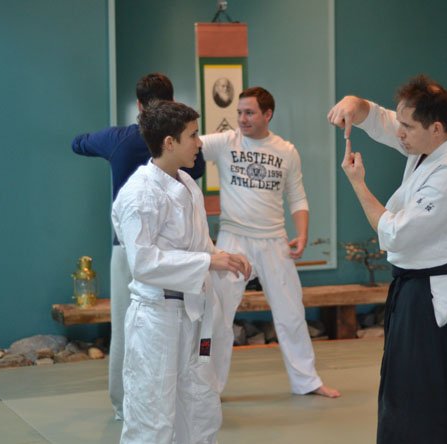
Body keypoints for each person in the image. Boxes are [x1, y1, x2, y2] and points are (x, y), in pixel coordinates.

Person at [327, 75, 447, 443]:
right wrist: (358, 104)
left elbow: (394, 234)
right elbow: (382, 121)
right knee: (405, 389)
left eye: (407, 126)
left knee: (429, 395)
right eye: (400, 122)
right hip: (415, 286)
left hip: (436, 294)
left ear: (435, 127)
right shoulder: (430, 144)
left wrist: (357, 183)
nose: (399, 132)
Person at [111, 100, 251, 443]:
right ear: (169, 142)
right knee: (153, 416)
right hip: (156, 318)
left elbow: (199, 246)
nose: (200, 143)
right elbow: (143, 263)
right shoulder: (140, 194)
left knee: (199, 407)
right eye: (192, 136)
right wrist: (208, 262)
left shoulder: (188, 185)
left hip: (192, 313)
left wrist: (223, 256)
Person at [71, 73, 205, 421]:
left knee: (128, 328)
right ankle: (158, 402)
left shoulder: (118, 139)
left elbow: (79, 142)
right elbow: (197, 167)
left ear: (140, 105)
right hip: (171, 250)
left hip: (129, 251)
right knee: (174, 324)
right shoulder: (182, 155)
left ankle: (124, 405)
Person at [200, 86, 340, 398]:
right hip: (233, 239)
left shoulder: (286, 150)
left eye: (249, 112)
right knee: (219, 315)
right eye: (239, 112)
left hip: (274, 240)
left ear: (267, 114)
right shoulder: (225, 142)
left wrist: (302, 233)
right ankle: (209, 386)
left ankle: (307, 381)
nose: (242, 118)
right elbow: (188, 147)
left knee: (291, 312)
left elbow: (298, 197)